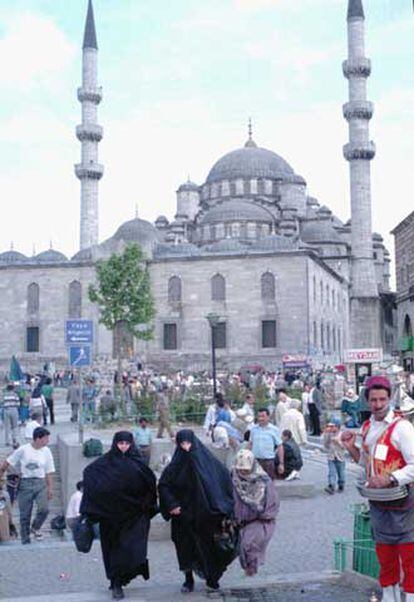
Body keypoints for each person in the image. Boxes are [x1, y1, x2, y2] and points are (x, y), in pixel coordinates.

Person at [341, 376, 414, 602]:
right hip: (379, 504)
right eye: (373, 400)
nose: (378, 404)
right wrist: (350, 447)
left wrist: (391, 478)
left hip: (404, 503)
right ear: (367, 401)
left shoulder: (402, 428)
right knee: (385, 560)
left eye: (382, 399)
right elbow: (366, 463)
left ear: (389, 398)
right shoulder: (367, 427)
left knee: (410, 560)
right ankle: (389, 599)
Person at [81, 432, 157, 600]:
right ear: (115, 443)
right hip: (111, 518)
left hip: (133, 518)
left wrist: (146, 505)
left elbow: (149, 485)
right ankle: (116, 583)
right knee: (113, 551)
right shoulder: (104, 464)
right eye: (120, 443)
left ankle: (122, 578)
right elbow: (90, 474)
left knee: (132, 550)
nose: (123, 446)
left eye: (127, 443)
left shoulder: (138, 463)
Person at [158, 429, 235, 593]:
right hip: (183, 516)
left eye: (188, 443)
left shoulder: (208, 463)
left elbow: (223, 479)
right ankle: (188, 580)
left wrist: (221, 504)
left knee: (208, 547)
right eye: (182, 444)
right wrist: (172, 505)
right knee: (185, 548)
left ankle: (212, 578)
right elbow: (164, 486)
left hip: (206, 515)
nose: (186, 448)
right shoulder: (174, 467)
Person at [0, 427, 55, 544]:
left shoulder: (46, 451)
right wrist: (2, 473)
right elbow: (7, 462)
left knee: (44, 509)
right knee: (25, 514)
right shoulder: (23, 449)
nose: (48, 441)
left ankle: (35, 527)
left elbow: (49, 471)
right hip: (25, 483)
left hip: (40, 483)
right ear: (38, 439)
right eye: (46, 438)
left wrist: (50, 488)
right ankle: (25, 540)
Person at [232, 449, 279, 576]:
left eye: (246, 469)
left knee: (249, 544)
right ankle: (249, 570)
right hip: (242, 521)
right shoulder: (234, 479)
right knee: (243, 547)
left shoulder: (263, 480)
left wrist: (265, 514)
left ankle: (251, 571)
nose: (243, 472)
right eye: (241, 469)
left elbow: (273, 501)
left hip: (260, 519)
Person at [249, 408, 284, 480]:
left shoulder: (274, 429)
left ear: (268, 417)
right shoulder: (253, 429)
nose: (260, 418)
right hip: (256, 461)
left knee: (269, 484)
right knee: (255, 484)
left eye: (263, 416)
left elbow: (280, 446)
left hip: (268, 462)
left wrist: (281, 463)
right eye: (259, 416)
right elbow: (250, 444)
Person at [322, 418, 346, 494]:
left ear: (338, 427)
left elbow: (345, 446)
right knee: (331, 472)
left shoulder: (342, 434)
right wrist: (326, 434)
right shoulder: (329, 434)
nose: (331, 428)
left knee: (341, 472)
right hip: (331, 456)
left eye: (333, 426)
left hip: (340, 457)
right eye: (330, 426)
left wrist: (338, 442)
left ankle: (341, 484)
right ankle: (331, 486)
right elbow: (325, 444)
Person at [1, 384, 20, 448]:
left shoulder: (4, 395)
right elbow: (18, 404)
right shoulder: (15, 395)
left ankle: (7, 441)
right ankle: (14, 440)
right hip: (14, 410)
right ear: (13, 389)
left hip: (6, 411)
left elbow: (2, 403)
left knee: (7, 426)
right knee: (14, 426)